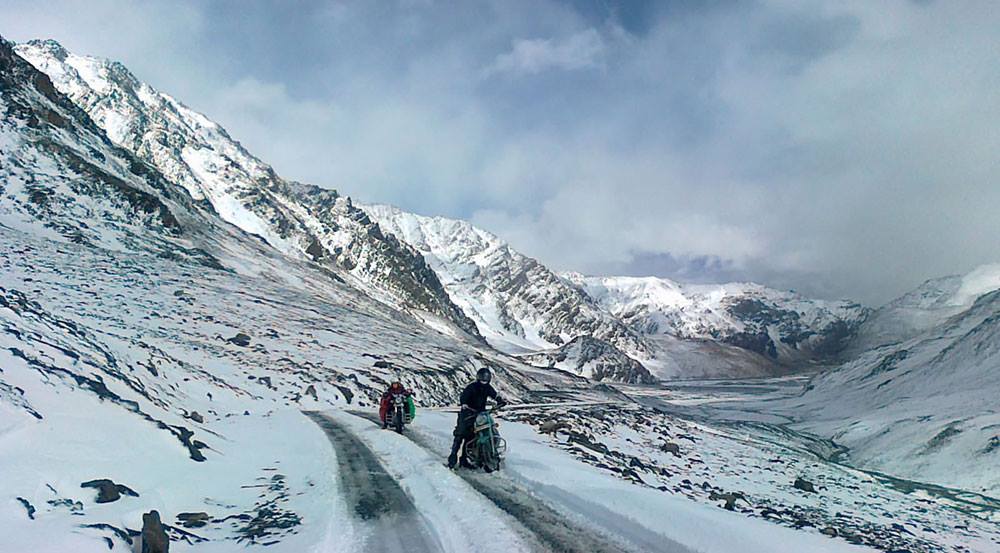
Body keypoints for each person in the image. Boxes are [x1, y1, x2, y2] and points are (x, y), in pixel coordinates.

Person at [447, 367, 507, 468]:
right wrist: (464, 404)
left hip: (480, 414)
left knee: (472, 436)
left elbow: (494, 394)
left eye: (486, 378)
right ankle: (452, 458)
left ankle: (465, 459)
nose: (484, 380)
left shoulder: (488, 387)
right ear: (478, 377)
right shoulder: (472, 387)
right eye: (482, 378)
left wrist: (499, 400)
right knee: (461, 434)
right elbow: (464, 397)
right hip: (467, 413)